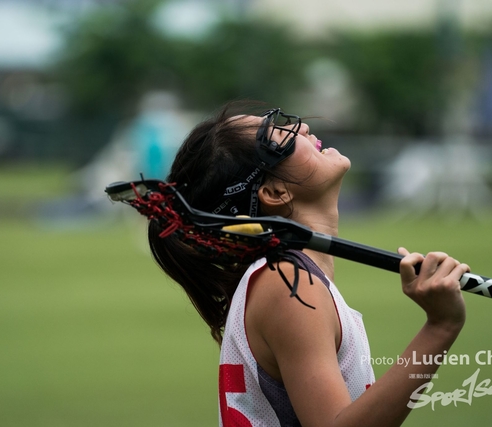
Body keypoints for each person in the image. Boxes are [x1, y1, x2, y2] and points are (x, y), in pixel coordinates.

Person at [147, 103, 469, 427]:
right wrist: (440, 327)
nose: (299, 128)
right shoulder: (289, 286)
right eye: (278, 137)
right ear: (275, 191)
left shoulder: (286, 278)